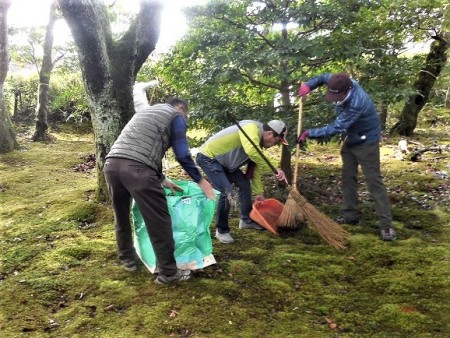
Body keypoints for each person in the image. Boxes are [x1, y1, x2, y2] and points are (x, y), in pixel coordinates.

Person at [104, 82, 216, 284]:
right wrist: (202, 181)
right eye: (186, 115)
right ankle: (168, 273)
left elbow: (141, 149)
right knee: (159, 221)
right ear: (181, 108)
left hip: (112, 165)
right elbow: (182, 154)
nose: (185, 119)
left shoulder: (147, 114)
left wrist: (164, 180)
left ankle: (127, 258)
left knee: (120, 215)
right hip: (137, 170)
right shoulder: (176, 116)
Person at [297, 72, 396, 241]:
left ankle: (387, 226)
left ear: (345, 91)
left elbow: (337, 127)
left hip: (367, 142)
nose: (333, 99)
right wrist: (309, 85)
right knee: (348, 177)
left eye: (336, 96)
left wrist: (309, 133)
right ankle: (350, 214)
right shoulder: (338, 81)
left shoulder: (357, 103)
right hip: (352, 138)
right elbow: (323, 78)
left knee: (374, 182)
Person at [196, 119, 288, 244]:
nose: (273, 145)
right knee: (226, 191)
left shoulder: (258, 144)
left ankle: (246, 220)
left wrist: (259, 193)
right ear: (270, 133)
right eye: (276, 141)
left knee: (244, 184)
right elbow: (251, 150)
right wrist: (274, 167)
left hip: (225, 164)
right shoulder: (251, 128)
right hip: (209, 157)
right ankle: (221, 230)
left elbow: (254, 170)